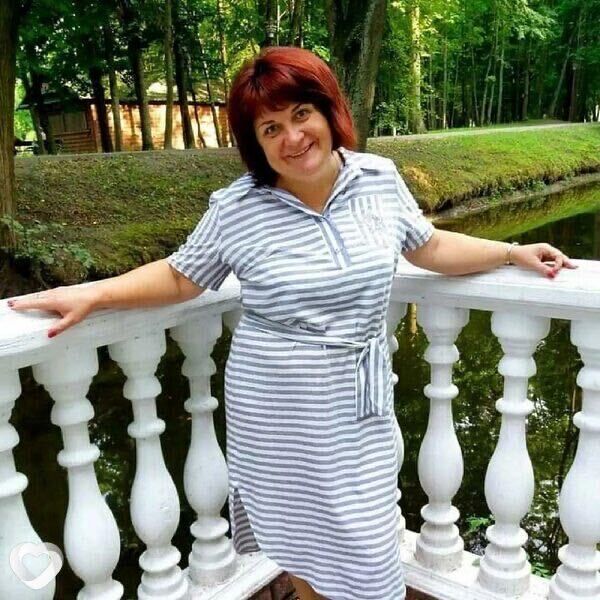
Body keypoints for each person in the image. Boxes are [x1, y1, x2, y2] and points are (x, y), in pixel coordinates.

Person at [8, 47, 575, 600]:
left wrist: (509, 252)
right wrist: (95, 293)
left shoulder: (378, 178)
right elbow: (182, 277)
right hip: (277, 408)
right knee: (304, 540)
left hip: (358, 401)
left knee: (369, 544)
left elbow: (428, 246)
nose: (293, 136)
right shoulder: (238, 208)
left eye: (301, 114)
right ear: (256, 144)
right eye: (270, 128)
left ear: (328, 111)